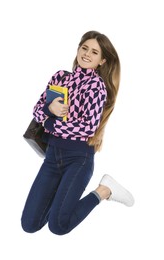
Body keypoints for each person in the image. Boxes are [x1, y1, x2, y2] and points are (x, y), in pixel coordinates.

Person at [20, 30, 133, 235]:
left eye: (94, 52)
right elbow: (36, 111)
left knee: (58, 226)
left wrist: (50, 125)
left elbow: (87, 128)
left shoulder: (96, 87)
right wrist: (49, 110)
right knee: (29, 225)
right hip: (52, 158)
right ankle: (60, 203)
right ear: (78, 49)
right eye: (84, 48)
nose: (87, 54)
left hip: (78, 159)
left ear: (102, 60)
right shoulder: (60, 77)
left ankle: (104, 191)